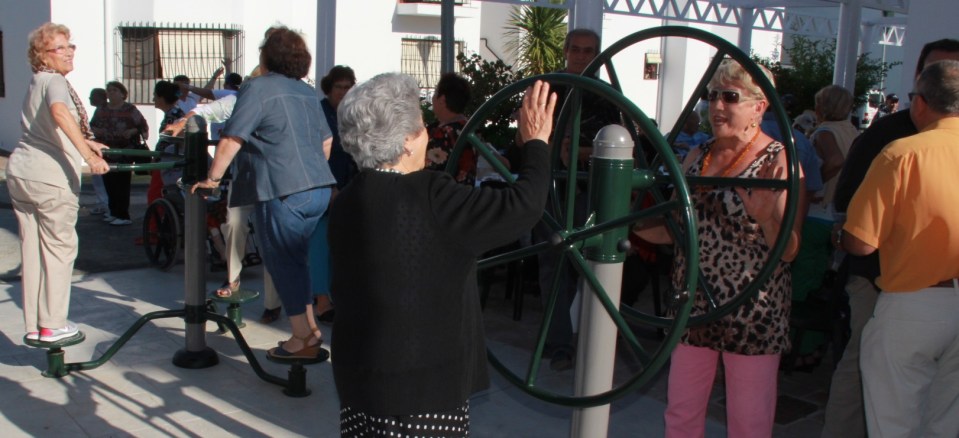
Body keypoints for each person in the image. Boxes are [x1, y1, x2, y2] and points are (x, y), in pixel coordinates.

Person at [329, 73, 555, 437]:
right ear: (405, 142)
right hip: (423, 393)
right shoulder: (431, 196)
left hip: (360, 381)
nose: (428, 134)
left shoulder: (346, 200)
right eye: (421, 129)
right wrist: (537, 143)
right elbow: (524, 206)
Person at [634, 60, 804, 437]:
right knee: (681, 414)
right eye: (712, 96)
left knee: (749, 423)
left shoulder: (778, 163)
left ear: (759, 106)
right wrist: (628, 223)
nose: (717, 106)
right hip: (694, 306)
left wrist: (767, 218)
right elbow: (679, 232)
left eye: (730, 97)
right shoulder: (697, 156)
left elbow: (790, 250)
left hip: (752, 312)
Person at [823, 38, 959, 438]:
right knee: (945, 420)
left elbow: (861, 241)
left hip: (912, 301)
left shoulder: (902, 152)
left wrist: (839, 237)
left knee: (893, 421)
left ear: (920, 102)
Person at [191, 27, 335, 359]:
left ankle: (300, 337)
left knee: (282, 262)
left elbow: (232, 139)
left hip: (282, 189)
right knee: (298, 262)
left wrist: (212, 179)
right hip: (319, 188)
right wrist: (309, 172)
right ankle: (310, 329)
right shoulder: (307, 92)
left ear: (267, 55)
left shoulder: (257, 87)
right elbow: (326, 141)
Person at [6, 22, 110, 342]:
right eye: (58, 48)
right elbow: (60, 112)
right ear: (42, 56)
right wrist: (89, 157)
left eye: (70, 46)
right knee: (60, 249)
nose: (67, 52)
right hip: (49, 179)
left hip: (22, 172)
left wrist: (87, 143)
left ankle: (37, 325)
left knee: (34, 251)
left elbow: (47, 125)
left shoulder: (36, 81)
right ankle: (53, 324)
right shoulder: (55, 82)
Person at [309, 65, 357, 325]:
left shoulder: (352, 114)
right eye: (340, 86)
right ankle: (321, 299)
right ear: (329, 88)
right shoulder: (319, 112)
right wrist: (329, 186)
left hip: (349, 182)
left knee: (340, 244)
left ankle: (335, 293)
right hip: (324, 183)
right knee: (320, 242)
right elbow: (316, 152)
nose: (344, 91)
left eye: (349, 86)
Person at [90, 81, 149, 226]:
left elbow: (142, 126)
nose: (111, 93)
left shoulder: (130, 109)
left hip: (124, 151)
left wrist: (132, 131)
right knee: (108, 182)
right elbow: (92, 125)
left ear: (122, 93)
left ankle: (123, 215)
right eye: (109, 90)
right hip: (106, 151)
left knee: (121, 183)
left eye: (114, 90)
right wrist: (96, 131)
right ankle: (113, 212)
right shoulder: (101, 109)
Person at [425, 72, 475, 184]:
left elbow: (428, 174)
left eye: (434, 94)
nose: (432, 99)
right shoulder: (469, 128)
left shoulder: (443, 134)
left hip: (443, 197)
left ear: (442, 99)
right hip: (465, 194)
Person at [87, 87, 109, 216]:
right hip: (100, 147)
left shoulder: (102, 111)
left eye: (92, 96)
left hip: (101, 148)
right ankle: (103, 203)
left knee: (99, 178)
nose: (89, 99)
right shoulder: (100, 110)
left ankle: (103, 204)